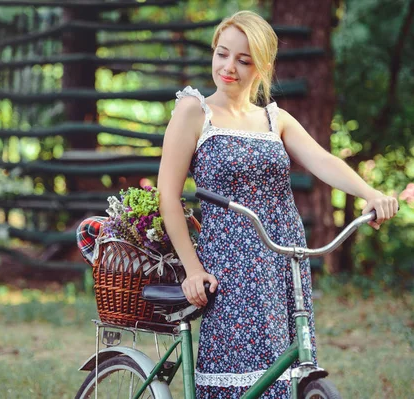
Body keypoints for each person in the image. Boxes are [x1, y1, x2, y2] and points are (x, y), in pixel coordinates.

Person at [157, 10, 399, 399]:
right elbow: (168, 195)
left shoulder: (275, 119)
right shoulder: (194, 112)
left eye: (243, 59)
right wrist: (192, 269)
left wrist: (368, 193)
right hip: (230, 262)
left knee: (287, 370)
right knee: (240, 376)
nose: (228, 67)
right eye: (222, 54)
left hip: (283, 257)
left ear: (263, 66)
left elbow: (324, 161)